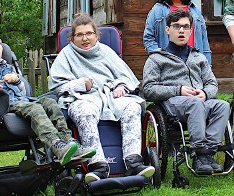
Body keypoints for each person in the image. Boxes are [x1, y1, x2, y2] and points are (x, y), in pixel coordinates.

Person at [0, 26, 95, 166]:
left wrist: (17, 80)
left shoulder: (6, 67)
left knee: (51, 103)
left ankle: (68, 141)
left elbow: (24, 92)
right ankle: (57, 145)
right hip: (1, 108)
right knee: (35, 109)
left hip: (22, 101)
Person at [48, 13, 155, 182]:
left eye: (89, 33)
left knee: (132, 107)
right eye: (79, 34)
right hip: (83, 98)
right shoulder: (66, 56)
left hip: (110, 96)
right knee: (85, 111)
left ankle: (133, 161)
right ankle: (97, 165)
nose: (85, 38)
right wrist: (80, 85)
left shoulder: (106, 52)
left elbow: (126, 77)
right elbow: (57, 86)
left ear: (96, 35)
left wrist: (121, 86)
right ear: (72, 37)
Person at [142, 9, 230, 175]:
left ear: (191, 30)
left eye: (185, 27)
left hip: (200, 100)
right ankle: (199, 153)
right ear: (167, 29)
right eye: (176, 27)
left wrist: (205, 93)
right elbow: (148, 89)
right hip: (172, 104)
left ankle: (208, 154)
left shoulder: (198, 57)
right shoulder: (156, 59)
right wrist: (178, 90)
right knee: (194, 103)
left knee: (223, 106)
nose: (181, 31)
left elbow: (212, 83)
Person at [143, 0, 212, 64]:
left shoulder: (195, 10)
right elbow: (148, 38)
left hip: (194, 62)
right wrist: (160, 57)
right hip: (169, 64)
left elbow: (204, 40)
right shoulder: (158, 10)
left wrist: (207, 64)